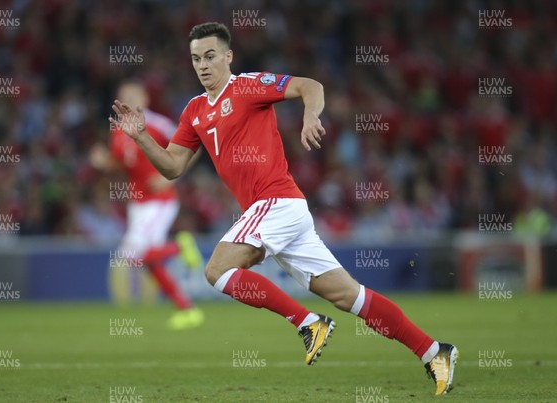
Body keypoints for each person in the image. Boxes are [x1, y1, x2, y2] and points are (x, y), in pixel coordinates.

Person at [109, 23, 458, 395]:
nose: (203, 65)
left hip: (275, 201)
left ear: (228, 56)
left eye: (210, 56)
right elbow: (173, 167)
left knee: (217, 269)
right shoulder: (194, 111)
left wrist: (311, 115)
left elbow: (311, 86)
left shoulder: (248, 86)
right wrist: (142, 136)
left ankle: (307, 322)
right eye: (196, 59)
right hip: (282, 211)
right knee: (349, 296)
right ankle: (434, 351)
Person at [92, 81, 204, 330]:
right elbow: (122, 164)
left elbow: (194, 146)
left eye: (133, 95)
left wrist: (169, 177)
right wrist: (104, 163)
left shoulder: (158, 124)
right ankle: (187, 309)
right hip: (138, 204)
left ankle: (180, 246)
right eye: (123, 96)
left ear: (146, 99)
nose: (128, 99)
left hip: (160, 202)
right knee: (150, 260)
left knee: (132, 255)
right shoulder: (119, 130)